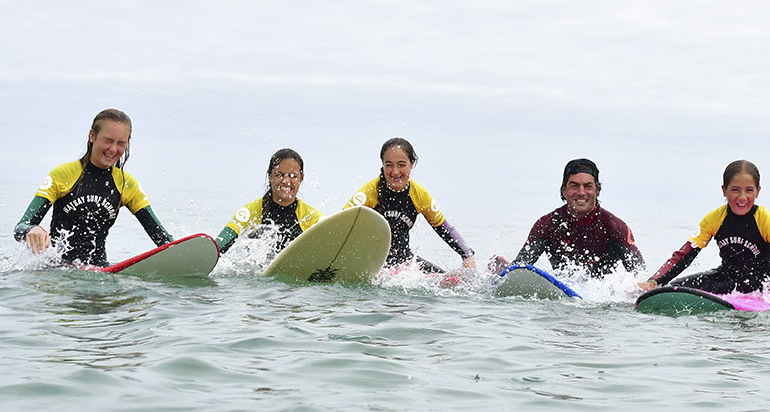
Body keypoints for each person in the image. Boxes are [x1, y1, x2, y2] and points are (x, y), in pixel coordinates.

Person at [13, 108, 173, 266]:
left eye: (121, 143)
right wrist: (31, 229)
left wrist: (184, 251)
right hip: (58, 275)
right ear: (92, 136)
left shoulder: (126, 184)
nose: (113, 149)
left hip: (100, 273)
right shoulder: (63, 175)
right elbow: (21, 227)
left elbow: (160, 237)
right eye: (108, 141)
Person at [639, 159, 770, 299]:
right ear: (724, 190)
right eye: (735, 190)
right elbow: (684, 255)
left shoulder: (765, 220)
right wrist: (654, 282)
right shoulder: (714, 219)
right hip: (728, 280)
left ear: (758, 192)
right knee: (671, 289)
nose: (742, 197)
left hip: (767, 284)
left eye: (749, 190)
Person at [490, 158, 646, 278]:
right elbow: (520, 269)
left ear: (597, 191)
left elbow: (639, 274)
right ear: (563, 191)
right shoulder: (547, 224)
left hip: (600, 301)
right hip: (564, 295)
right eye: (574, 186)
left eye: (588, 186)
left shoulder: (614, 226)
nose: (581, 192)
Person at [344, 138, 475, 273]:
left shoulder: (419, 195)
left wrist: (467, 255)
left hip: (404, 264)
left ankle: (490, 280)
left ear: (412, 164)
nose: (395, 172)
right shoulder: (369, 192)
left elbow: (445, 229)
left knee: (447, 281)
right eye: (389, 165)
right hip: (370, 265)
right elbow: (339, 222)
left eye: (401, 165)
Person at [214, 148, 322, 254]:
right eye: (279, 175)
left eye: (293, 176)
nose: (286, 181)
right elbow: (222, 242)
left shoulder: (310, 216)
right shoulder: (252, 211)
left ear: (301, 178)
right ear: (270, 176)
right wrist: (210, 252)